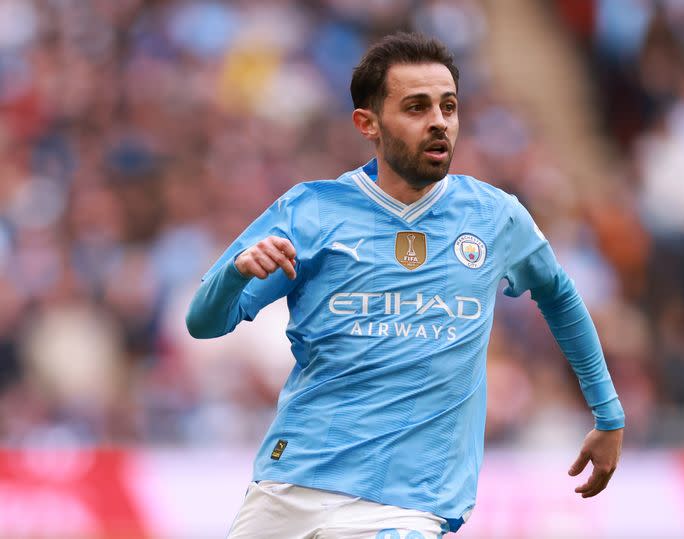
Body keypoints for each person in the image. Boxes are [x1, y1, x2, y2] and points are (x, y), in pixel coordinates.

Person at [186, 32, 624, 539]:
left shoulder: (494, 217)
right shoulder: (310, 210)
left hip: (407, 504)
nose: (439, 121)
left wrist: (607, 412)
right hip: (292, 481)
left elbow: (560, 296)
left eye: (449, 107)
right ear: (367, 123)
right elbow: (203, 322)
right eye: (416, 107)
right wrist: (236, 271)